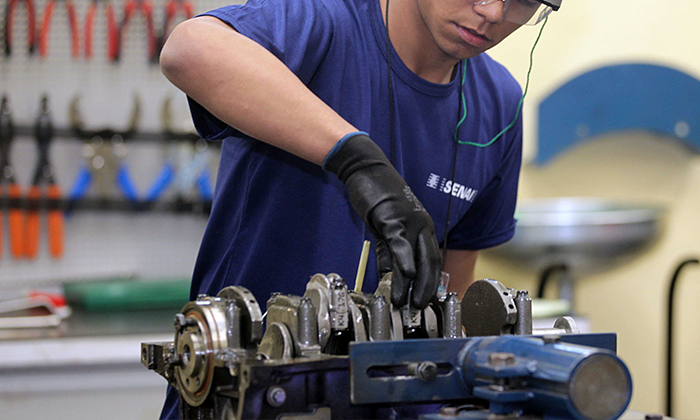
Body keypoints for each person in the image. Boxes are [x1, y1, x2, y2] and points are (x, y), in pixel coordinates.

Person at [158, 0, 561, 417]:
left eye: (525, 2)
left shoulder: (499, 106)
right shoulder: (323, 20)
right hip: (244, 400)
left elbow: (452, 296)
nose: (493, 12)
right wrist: (354, 160)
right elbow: (190, 49)